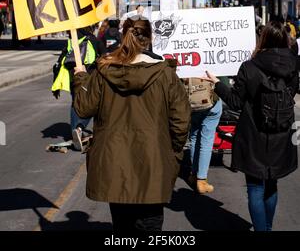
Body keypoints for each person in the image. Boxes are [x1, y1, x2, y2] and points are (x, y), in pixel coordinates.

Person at [73, 17, 190, 233]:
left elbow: (83, 108)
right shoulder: (165, 74)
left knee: (122, 226)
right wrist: (173, 152)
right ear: (149, 40)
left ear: (122, 36)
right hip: (154, 159)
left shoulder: (104, 69)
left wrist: (80, 78)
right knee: (151, 225)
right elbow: (181, 121)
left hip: (114, 161)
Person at [205, 20, 299, 231]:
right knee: (272, 184)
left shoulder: (249, 66)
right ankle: (267, 227)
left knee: (255, 187)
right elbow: (291, 94)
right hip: (281, 132)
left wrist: (217, 84)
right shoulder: (294, 64)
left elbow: (236, 102)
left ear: (262, 39)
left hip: (254, 133)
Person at [52, 26, 106, 151]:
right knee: (91, 104)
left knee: (75, 102)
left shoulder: (72, 41)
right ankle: (79, 128)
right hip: (89, 78)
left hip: (73, 78)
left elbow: (59, 63)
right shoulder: (93, 40)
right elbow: (104, 56)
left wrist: (55, 85)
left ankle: (74, 131)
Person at [186, 78, 222, 194]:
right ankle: (201, 180)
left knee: (194, 137)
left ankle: (194, 174)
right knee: (206, 141)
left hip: (192, 104)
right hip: (210, 103)